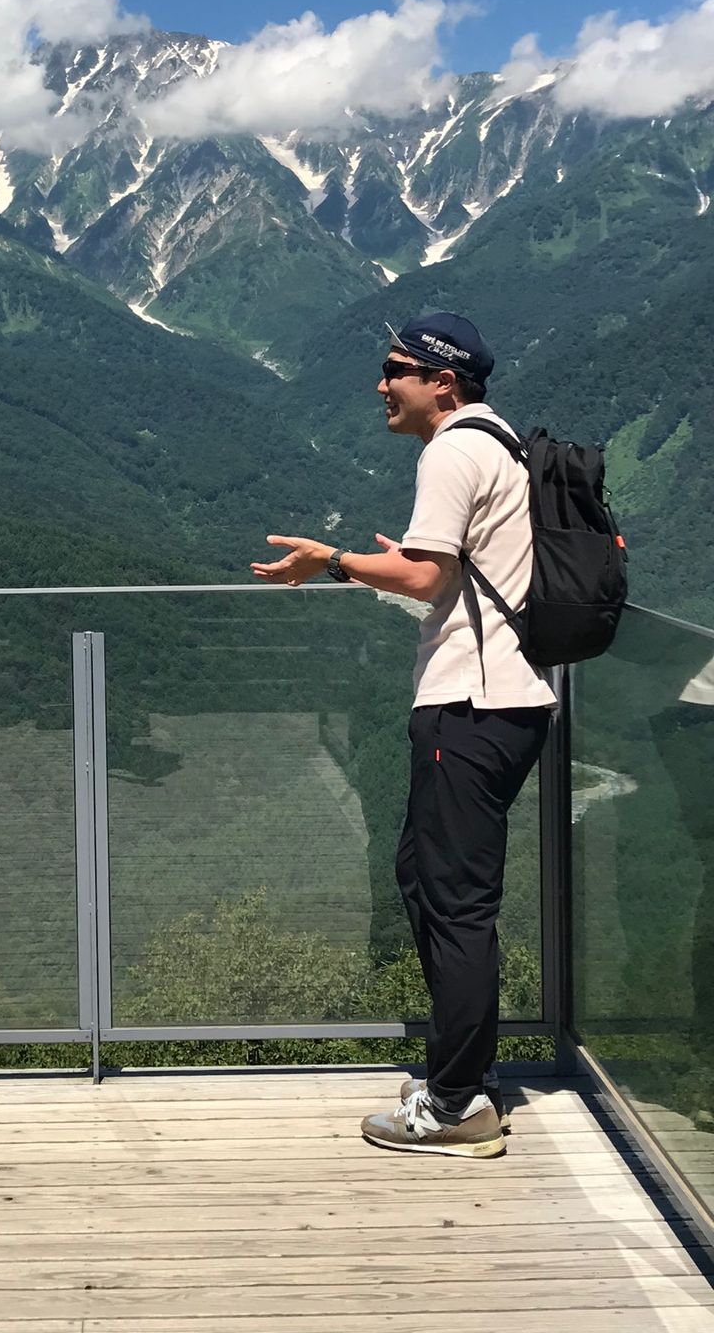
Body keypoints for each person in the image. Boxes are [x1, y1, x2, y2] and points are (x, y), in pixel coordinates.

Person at [251, 313, 555, 1158]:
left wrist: (334, 560)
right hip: (505, 701)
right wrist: (405, 565)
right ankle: (463, 1075)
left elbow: (423, 577)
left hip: (473, 705)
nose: (381, 384)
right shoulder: (500, 441)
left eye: (396, 370)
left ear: (442, 383)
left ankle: (457, 1104)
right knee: (426, 880)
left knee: (454, 904)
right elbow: (448, 572)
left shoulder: (452, 450)